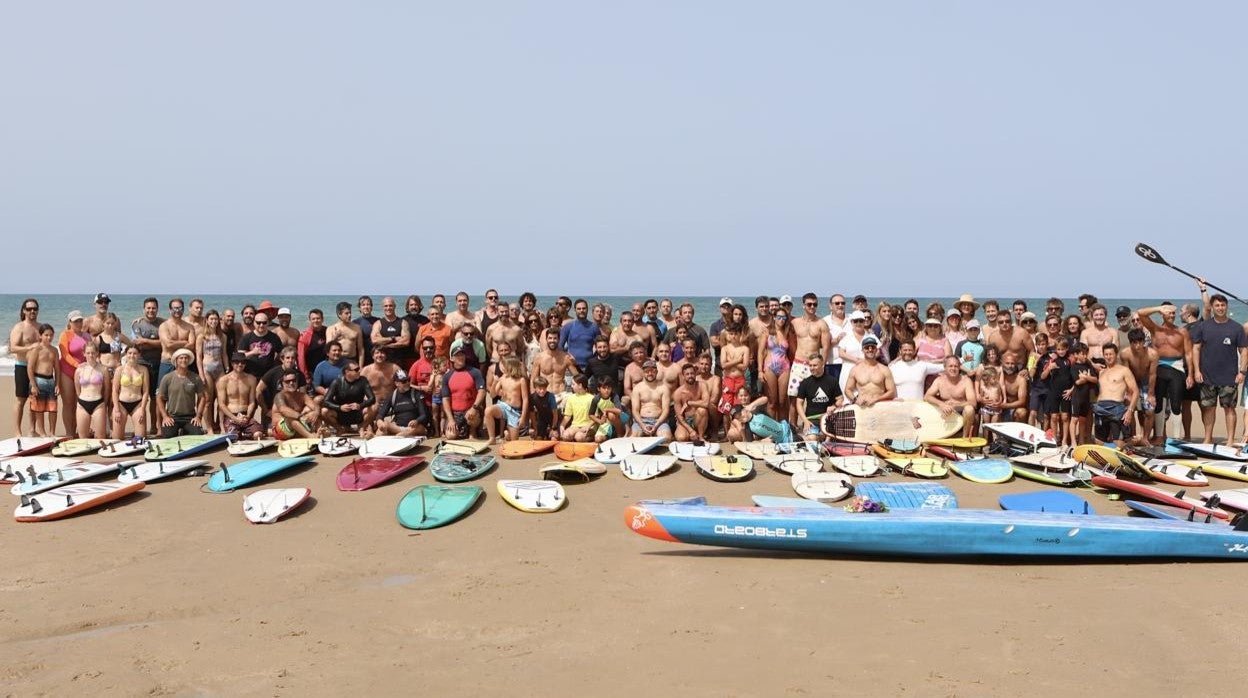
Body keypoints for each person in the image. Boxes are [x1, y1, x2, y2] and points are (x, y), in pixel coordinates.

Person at [1191, 293, 1248, 444]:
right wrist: (1196, 370)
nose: (1220, 308)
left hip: (1229, 377)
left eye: (1223, 305)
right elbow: (1195, 349)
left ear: (1226, 306)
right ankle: (1207, 439)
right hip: (1207, 376)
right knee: (1209, 409)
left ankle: (1229, 441)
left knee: (1229, 409)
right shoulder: (1203, 326)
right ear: (1212, 307)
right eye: (1217, 305)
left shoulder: (1236, 328)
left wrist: (1242, 371)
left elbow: (1244, 350)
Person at [1136, 302, 1194, 442]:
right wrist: (1157, 308)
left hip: (1176, 366)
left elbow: (1189, 353)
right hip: (1159, 366)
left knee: (1175, 403)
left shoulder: (1182, 331)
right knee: (1159, 404)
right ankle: (1160, 437)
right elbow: (1140, 313)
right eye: (1168, 312)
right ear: (1162, 313)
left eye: (1173, 312)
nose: (1172, 315)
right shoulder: (1155, 329)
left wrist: (1190, 374)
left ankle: (1176, 438)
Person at [1092, 343, 1139, 447]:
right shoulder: (1101, 372)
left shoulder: (1124, 370)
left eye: (1111, 354)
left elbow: (1135, 391)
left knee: (1119, 443)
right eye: (1106, 354)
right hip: (1100, 409)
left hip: (1117, 409)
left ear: (1116, 355)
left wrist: (1130, 411)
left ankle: (1136, 441)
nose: (1108, 357)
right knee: (1098, 442)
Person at [156, 348, 208, 438]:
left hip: (190, 417)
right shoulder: (167, 378)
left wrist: (198, 416)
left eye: (186, 358)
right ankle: (180, 431)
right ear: (176, 360)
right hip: (172, 417)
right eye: (181, 358)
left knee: (198, 435)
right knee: (168, 436)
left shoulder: (196, 378)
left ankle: (184, 430)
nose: (184, 360)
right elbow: (159, 398)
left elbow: (202, 397)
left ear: (189, 360)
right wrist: (165, 417)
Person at [1119, 328, 1158, 445]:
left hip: (1146, 382)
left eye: (1140, 342)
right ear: (1130, 343)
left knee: (1150, 411)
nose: (1137, 345)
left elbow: (1152, 375)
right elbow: (1127, 373)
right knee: (1128, 407)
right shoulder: (1125, 353)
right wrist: (1129, 392)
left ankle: (1145, 437)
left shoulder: (1152, 354)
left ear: (1144, 342)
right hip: (1132, 381)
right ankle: (1133, 437)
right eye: (1134, 343)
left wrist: (1151, 395)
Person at [10, 298, 42, 435]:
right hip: (22, 366)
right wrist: (30, 347)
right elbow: (13, 348)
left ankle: (32, 430)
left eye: (35, 308)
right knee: (21, 399)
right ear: (24, 311)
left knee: (35, 399)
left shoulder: (41, 327)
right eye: (29, 309)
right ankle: (18, 431)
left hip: (38, 367)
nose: (32, 311)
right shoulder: (19, 327)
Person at [924, 356, 978, 438]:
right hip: (945, 412)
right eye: (950, 366)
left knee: (969, 409)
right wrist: (941, 404)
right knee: (929, 406)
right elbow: (927, 397)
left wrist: (956, 405)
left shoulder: (966, 381)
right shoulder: (939, 380)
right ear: (945, 367)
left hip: (961, 412)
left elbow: (973, 402)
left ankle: (964, 438)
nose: (953, 368)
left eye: (956, 366)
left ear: (959, 367)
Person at [794, 353, 844, 440]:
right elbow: (799, 403)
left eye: (815, 365)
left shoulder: (832, 381)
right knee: (812, 438)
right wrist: (805, 421)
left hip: (829, 419)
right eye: (810, 365)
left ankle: (826, 439)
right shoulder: (805, 383)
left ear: (822, 365)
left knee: (831, 439)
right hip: (811, 420)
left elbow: (840, 399)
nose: (812, 368)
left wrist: (834, 406)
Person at [58, 310, 92, 438]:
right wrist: (77, 366)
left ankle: (79, 431)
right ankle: (69, 433)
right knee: (68, 403)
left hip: (83, 374)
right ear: (70, 322)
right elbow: (65, 354)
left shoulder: (87, 336)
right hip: (66, 372)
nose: (78, 323)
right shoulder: (65, 334)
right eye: (75, 321)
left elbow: (91, 353)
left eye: (80, 320)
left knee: (81, 403)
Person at [322, 360, 378, 436]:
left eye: (359, 369)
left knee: (374, 407)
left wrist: (360, 405)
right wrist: (339, 407)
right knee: (324, 411)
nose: (359, 371)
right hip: (341, 413)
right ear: (347, 372)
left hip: (358, 412)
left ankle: (361, 427)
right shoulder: (337, 382)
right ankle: (339, 429)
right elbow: (326, 401)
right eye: (356, 370)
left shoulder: (363, 380)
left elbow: (372, 398)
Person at [758, 309, 795, 423]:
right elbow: (760, 352)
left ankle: (783, 428)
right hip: (769, 368)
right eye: (779, 317)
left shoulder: (788, 332)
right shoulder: (767, 332)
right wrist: (760, 370)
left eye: (784, 318)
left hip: (785, 368)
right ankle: (771, 429)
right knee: (772, 402)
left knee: (783, 401)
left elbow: (793, 351)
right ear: (773, 317)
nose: (781, 320)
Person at [217, 352, 264, 439]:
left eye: (242, 362)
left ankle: (244, 434)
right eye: (237, 362)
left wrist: (248, 416)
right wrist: (235, 418)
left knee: (258, 435)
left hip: (246, 415)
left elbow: (252, 401)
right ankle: (240, 434)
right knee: (233, 437)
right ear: (232, 363)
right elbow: (221, 404)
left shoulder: (252, 379)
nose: (240, 364)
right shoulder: (224, 380)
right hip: (231, 416)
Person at [440, 347, 485, 438]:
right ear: (452, 358)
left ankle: (473, 432)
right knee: (450, 436)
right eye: (457, 355)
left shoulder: (475, 372)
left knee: (472, 419)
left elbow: (482, 392)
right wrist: (451, 419)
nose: (461, 357)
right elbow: (445, 400)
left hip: (472, 411)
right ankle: (461, 430)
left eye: (462, 355)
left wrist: (474, 408)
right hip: (456, 413)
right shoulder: (447, 377)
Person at [483, 356, 529, 443]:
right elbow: (493, 395)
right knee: (488, 410)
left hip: (514, 411)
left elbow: (525, 399)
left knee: (514, 441)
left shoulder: (521, 380)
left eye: (505, 366)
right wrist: (495, 382)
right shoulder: (503, 378)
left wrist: (523, 417)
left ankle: (507, 435)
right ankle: (492, 438)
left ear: (512, 367)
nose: (503, 368)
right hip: (503, 406)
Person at [195, 309, 227, 432]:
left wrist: (227, 367)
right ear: (207, 321)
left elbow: (224, 354)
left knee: (221, 400)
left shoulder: (222, 336)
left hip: (219, 369)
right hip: (207, 368)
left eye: (216, 319)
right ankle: (209, 428)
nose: (214, 321)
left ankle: (221, 425)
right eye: (211, 319)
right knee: (208, 400)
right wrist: (201, 374)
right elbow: (198, 356)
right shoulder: (201, 336)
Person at [843, 337, 896, 408]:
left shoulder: (884, 369)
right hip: (863, 407)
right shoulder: (855, 369)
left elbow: (892, 392)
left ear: (876, 350)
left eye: (873, 347)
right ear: (862, 350)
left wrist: (876, 399)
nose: (870, 349)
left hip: (880, 406)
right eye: (867, 347)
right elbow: (847, 389)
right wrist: (855, 399)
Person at [27, 324, 60, 437]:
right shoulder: (36, 349)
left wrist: (57, 384)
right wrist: (33, 385)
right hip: (38, 380)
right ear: (40, 336)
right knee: (39, 409)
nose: (49, 338)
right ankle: (42, 433)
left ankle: (52, 433)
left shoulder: (54, 350)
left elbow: (57, 369)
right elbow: (30, 368)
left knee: (53, 408)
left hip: (51, 381)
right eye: (46, 335)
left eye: (51, 335)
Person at [376, 370, 430, 438]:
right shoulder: (392, 395)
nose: (407, 383)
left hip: (413, 428)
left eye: (408, 380)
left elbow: (424, 415)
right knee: (381, 429)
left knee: (420, 428)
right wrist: (379, 422)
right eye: (404, 381)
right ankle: (372, 438)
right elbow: (381, 414)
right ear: (396, 383)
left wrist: (416, 421)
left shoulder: (417, 394)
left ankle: (405, 434)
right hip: (398, 428)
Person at [271, 369, 322, 440]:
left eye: (294, 380)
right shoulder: (279, 396)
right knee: (290, 417)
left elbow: (314, 406)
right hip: (280, 431)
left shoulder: (302, 395)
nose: (291, 383)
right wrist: (301, 417)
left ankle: (321, 432)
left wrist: (316, 413)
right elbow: (283, 410)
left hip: (297, 428)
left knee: (314, 413)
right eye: (287, 381)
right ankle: (310, 436)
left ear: (297, 381)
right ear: (282, 383)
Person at [73, 342, 110, 439]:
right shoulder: (79, 370)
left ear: (97, 353)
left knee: (101, 437)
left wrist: (104, 404)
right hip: (82, 404)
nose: (91, 355)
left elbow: (107, 389)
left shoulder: (103, 369)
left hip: (98, 404)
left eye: (93, 352)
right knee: (83, 437)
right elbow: (77, 388)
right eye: (88, 353)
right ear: (84, 353)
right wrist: (81, 400)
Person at [1063, 343, 1097, 447]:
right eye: (1083, 354)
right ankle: (1073, 442)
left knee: (1083, 420)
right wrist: (1086, 377)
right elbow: (1077, 382)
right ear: (1076, 354)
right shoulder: (1073, 367)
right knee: (1075, 419)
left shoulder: (1088, 366)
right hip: (1077, 397)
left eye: (1086, 354)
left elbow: (1095, 379)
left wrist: (1085, 377)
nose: (1085, 356)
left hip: (1086, 397)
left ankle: (1081, 441)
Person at [112, 345, 149, 439]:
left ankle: (136, 432)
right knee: (117, 439)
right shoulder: (119, 370)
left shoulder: (144, 369)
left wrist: (142, 409)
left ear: (139, 355)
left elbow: (145, 391)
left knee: (141, 439)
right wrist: (116, 410)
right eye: (130, 353)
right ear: (126, 354)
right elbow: (115, 391)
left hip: (137, 404)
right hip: (121, 404)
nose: (132, 356)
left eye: (135, 353)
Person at [630, 360, 674, 440]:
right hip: (641, 421)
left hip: (659, 421)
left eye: (652, 371)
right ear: (643, 372)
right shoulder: (637, 388)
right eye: (647, 371)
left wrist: (656, 425)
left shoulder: (664, 388)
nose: (650, 373)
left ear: (656, 372)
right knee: (634, 438)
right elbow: (635, 411)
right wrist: (643, 426)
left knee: (666, 438)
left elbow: (666, 410)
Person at [157, 298, 196, 387]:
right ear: (170, 310)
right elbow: (168, 344)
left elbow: (191, 345)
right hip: (167, 362)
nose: (177, 310)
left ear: (183, 309)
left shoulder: (189, 327)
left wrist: (174, 343)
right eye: (175, 308)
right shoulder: (164, 326)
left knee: (183, 392)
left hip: (184, 363)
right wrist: (184, 342)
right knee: (162, 393)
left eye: (179, 308)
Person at [238, 312, 283, 380]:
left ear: (268, 323)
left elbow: (281, 354)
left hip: (268, 375)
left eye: (264, 323)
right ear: (254, 323)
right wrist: (252, 352)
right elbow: (239, 357)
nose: (261, 325)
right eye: (258, 323)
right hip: (250, 375)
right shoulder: (246, 338)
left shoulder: (274, 337)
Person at [558, 299, 600, 371]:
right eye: (579, 309)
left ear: (587, 309)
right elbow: (560, 346)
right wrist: (568, 357)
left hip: (589, 368)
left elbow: (600, 345)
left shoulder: (594, 327)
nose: (581, 310)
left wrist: (593, 360)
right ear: (575, 310)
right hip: (571, 367)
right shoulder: (568, 327)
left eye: (584, 308)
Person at [672, 363, 710, 442]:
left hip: (697, 419)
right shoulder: (678, 393)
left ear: (696, 374)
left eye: (692, 373)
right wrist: (690, 430)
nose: (690, 376)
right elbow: (679, 416)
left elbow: (706, 403)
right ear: (683, 376)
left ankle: (701, 436)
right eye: (687, 374)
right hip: (684, 421)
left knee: (702, 410)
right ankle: (692, 434)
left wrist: (689, 403)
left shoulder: (702, 385)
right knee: (681, 438)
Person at [371, 297, 411, 368]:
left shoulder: (403, 323)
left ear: (394, 306)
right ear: (383, 307)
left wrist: (385, 345)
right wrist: (393, 338)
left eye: (390, 305)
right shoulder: (378, 323)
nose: (388, 308)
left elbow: (406, 341)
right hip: (382, 363)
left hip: (399, 362)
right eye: (386, 306)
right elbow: (374, 340)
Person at [326, 301, 365, 366]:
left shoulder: (357, 328)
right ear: (339, 314)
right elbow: (327, 348)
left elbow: (361, 349)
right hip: (336, 361)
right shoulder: (331, 328)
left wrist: (361, 367)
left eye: (350, 312)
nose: (349, 315)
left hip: (352, 360)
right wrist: (335, 337)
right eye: (346, 313)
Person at [297, 308, 329, 381]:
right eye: (313, 319)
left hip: (326, 369)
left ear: (322, 319)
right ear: (309, 320)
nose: (316, 321)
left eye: (318, 318)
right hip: (312, 371)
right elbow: (301, 357)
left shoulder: (328, 331)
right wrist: (305, 376)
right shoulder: (305, 335)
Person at [528, 375, 560, 440]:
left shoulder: (550, 396)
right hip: (542, 420)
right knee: (538, 438)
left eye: (544, 388)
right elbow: (532, 414)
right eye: (540, 389)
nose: (542, 391)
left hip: (553, 419)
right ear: (535, 387)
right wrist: (535, 428)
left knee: (554, 438)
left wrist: (553, 428)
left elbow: (555, 413)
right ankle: (545, 433)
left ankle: (549, 433)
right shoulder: (532, 397)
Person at [353, 295, 378, 364]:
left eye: (368, 304)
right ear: (359, 308)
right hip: (361, 357)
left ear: (371, 307)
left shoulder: (378, 321)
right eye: (363, 305)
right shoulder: (355, 322)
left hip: (376, 356)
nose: (366, 307)